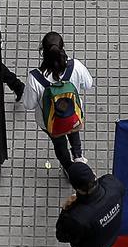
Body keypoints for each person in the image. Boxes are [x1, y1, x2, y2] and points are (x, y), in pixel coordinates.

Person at [22, 32, 93, 171]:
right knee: (73, 128)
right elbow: (88, 84)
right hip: (73, 113)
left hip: (49, 122)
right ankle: (78, 156)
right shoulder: (76, 66)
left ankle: (69, 168)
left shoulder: (34, 78)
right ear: (62, 48)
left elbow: (28, 104)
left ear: (42, 51)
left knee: (59, 144)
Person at [56, 162, 124, 247]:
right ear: (94, 175)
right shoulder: (112, 184)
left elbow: (61, 236)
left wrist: (65, 209)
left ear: (76, 188)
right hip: (111, 237)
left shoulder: (77, 217)